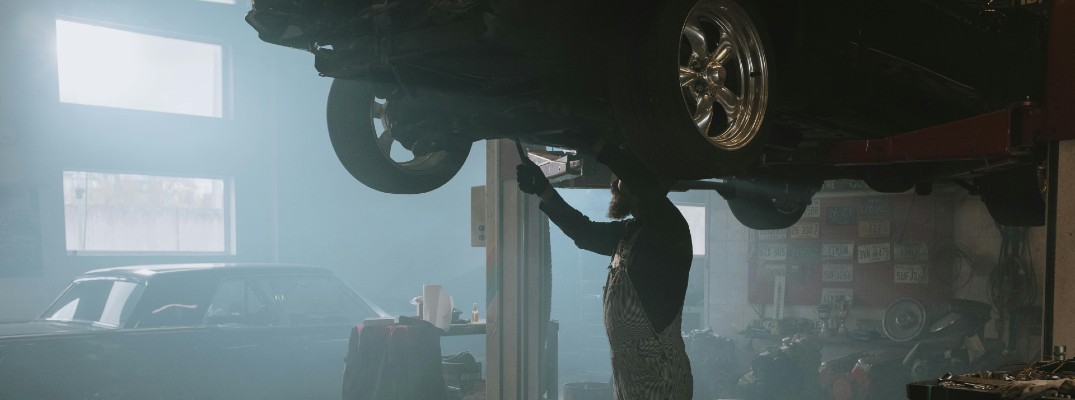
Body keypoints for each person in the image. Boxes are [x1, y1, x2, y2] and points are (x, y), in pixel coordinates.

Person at [516, 140, 694, 399]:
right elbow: (584, 232)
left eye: (619, 179)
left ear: (637, 183)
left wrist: (604, 148)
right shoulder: (630, 233)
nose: (613, 185)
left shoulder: (671, 230)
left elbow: (647, 189)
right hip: (633, 378)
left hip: (661, 378)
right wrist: (544, 190)